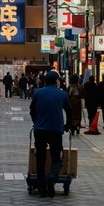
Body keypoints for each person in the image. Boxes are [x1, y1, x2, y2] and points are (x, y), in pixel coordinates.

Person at [29, 70, 71, 198]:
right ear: (57, 81)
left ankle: (42, 189)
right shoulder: (62, 94)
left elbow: (32, 111)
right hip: (56, 130)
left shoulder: (38, 92)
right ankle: (52, 177)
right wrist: (67, 126)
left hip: (40, 130)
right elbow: (69, 111)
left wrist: (36, 122)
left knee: (40, 159)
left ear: (45, 81)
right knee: (57, 157)